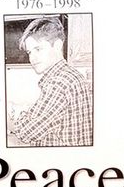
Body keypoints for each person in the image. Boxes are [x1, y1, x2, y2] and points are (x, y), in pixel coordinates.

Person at [10, 17, 93, 146]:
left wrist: (6, 118)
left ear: (58, 45)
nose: (32, 58)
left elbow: (26, 133)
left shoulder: (59, 82)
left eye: (38, 49)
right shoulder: (70, 75)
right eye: (29, 52)